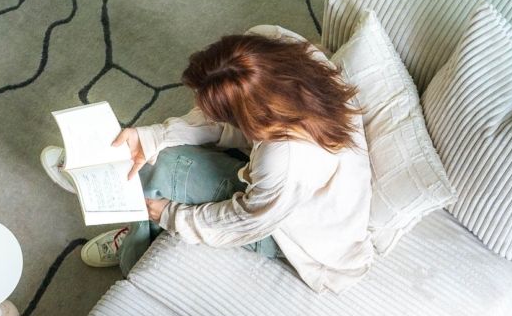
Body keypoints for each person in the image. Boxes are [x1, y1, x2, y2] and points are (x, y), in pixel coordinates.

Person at [41, 26, 374, 293]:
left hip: (294, 235)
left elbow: (247, 222)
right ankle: (106, 179)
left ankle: (129, 246)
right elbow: (213, 119)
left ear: (253, 120)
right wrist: (152, 136)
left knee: (162, 174)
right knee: (156, 156)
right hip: (294, 194)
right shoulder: (277, 40)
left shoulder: (284, 160)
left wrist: (175, 217)